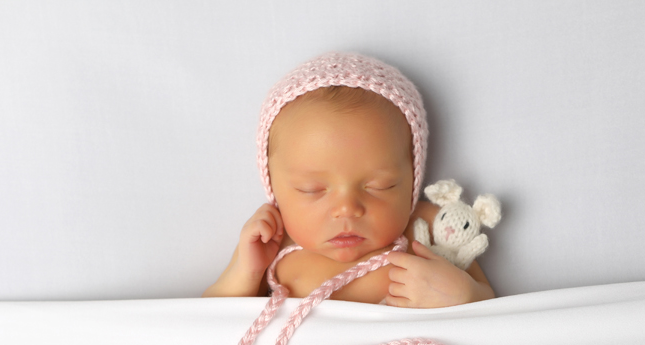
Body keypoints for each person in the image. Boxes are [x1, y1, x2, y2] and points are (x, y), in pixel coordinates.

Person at [202, 52, 495, 308]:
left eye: (380, 186)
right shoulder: (274, 242)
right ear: (274, 188)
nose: (347, 208)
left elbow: (495, 311)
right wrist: (245, 272)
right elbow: (207, 324)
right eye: (312, 189)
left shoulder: (428, 229)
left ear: (413, 179)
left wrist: (463, 296)